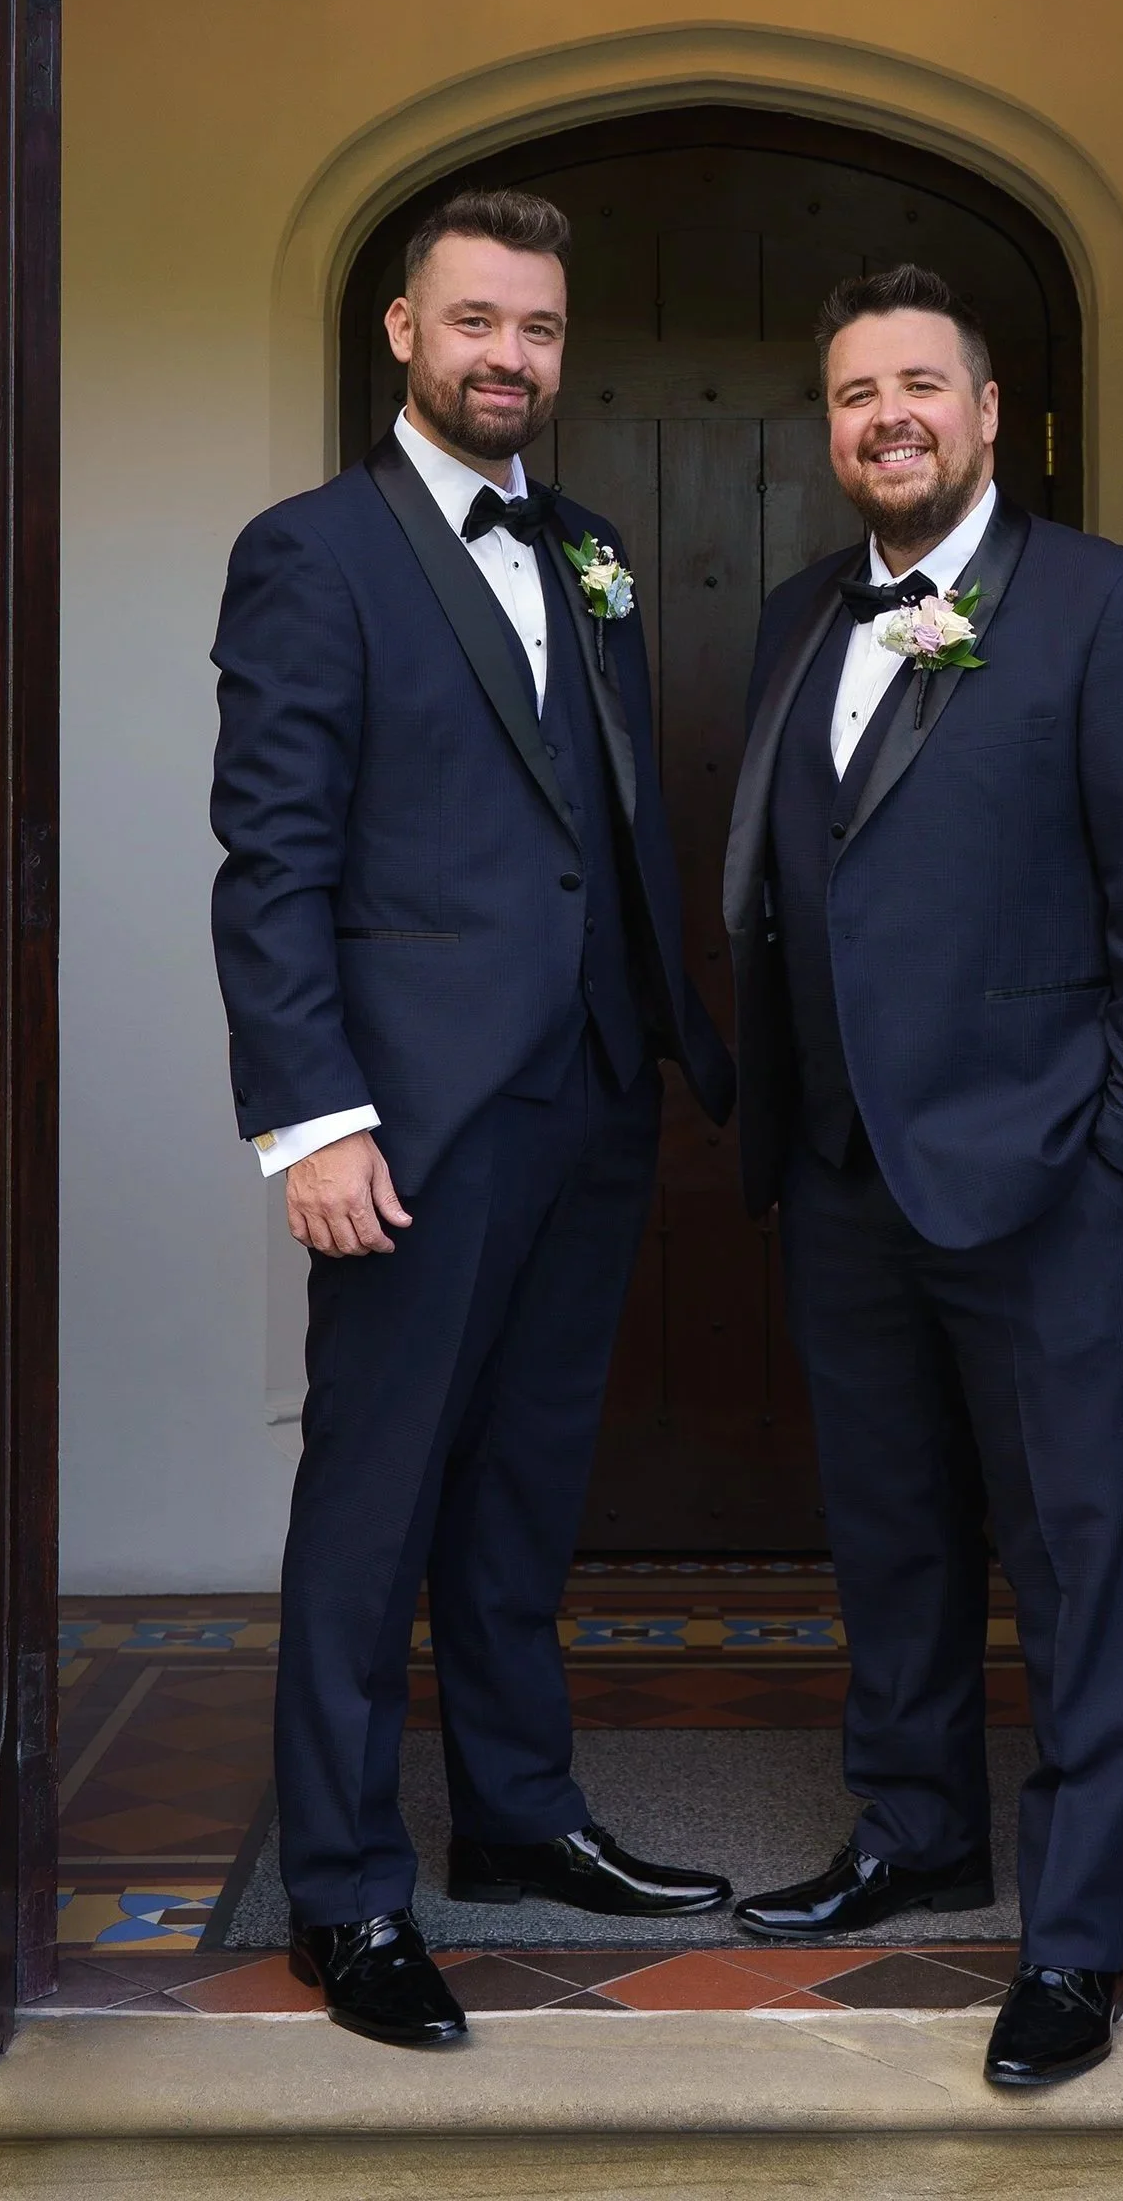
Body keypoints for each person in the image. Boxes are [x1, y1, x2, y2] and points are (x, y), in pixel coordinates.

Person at [210, 187, 735, 2049]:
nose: (511, 356)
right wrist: (312, 1122)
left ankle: (517, 1816)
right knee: (374, 1506)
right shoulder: (311, 553)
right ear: (405, 333)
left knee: (524, 1491)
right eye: (477, 321)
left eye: (540, 328)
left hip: (589, 1093)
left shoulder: (587, 547)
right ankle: (349, 1893)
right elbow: (270, 862)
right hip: (409, 1120)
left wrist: (655, 1042)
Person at [723, 264, 1123, 2088]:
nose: (890, 419)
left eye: (921, 386)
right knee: (893, 1532)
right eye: (856, 393)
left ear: (990, 409)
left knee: (1077, 1557)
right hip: (844, 1170)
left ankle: (1078, 1940)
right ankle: (918, 1826)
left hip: (1050, 1182)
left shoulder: (1112, 607)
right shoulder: (798, 615)